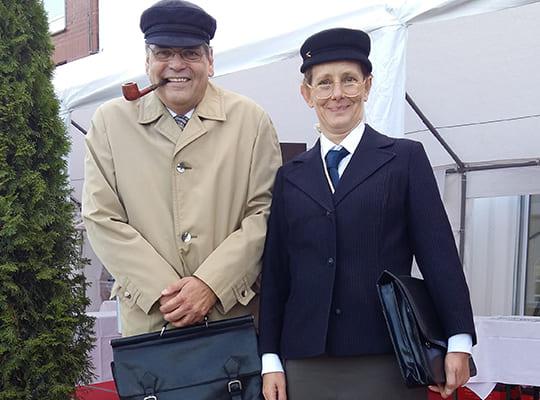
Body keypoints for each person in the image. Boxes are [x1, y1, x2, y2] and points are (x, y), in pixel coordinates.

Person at [258, 28, 476, 400]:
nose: (337, 93)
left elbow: (438, 253)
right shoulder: (289, 176)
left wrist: (458, 339)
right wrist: (270, 360)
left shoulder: (405, 159)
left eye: (349, 80)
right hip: (304, 359)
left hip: (386, 354)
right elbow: (277, 274)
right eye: (324, 83)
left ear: (368, 85)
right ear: (307, 94)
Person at [82, 0, 282, 337]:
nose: (177, 65)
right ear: (147, 61)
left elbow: (266, 212)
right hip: (151, 324)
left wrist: (211, 284)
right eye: (163, 53)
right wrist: (167, 293)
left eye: (190, 53)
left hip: (230, 319)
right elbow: (101, 216)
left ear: (210, 61)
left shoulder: (251, 121)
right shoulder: (109, 123)